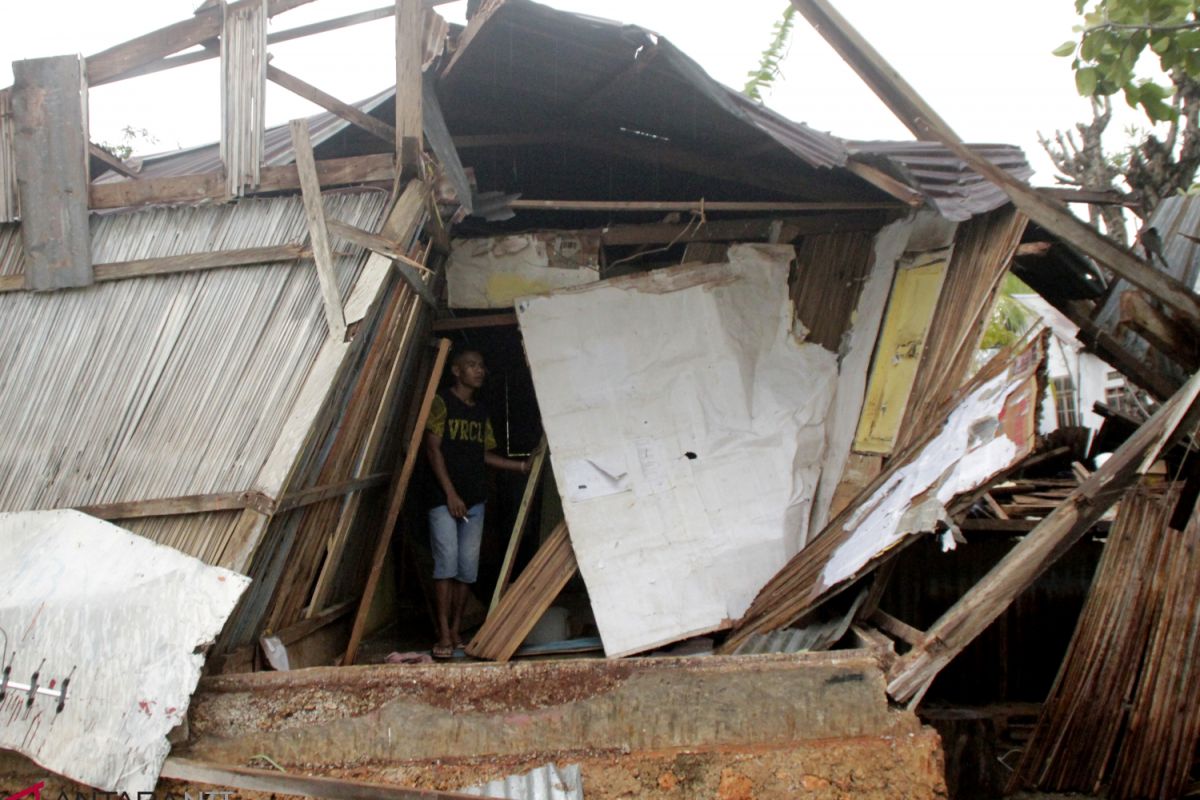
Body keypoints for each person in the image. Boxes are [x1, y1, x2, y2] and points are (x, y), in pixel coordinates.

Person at [424, 348, 529, 659]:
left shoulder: (480, 411)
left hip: (475, 501)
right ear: (456, 371)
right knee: (446, 565)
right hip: (443, 499)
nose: (479, 370)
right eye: (472, 365)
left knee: (466, 569)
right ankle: (442, 632)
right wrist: (451, 494)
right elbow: (432, 450)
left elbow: (485, 454)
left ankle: (456, 629)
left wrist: (521, 467)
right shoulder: (441, 402)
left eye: (481, 365)